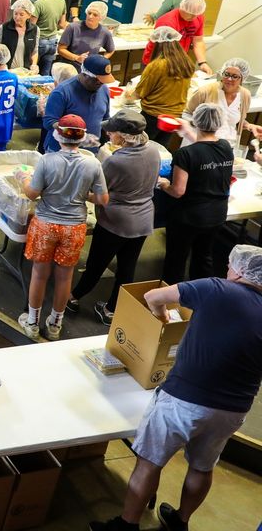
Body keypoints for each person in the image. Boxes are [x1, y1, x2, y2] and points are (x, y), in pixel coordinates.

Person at [89, 246, 262, 531]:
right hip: (233, 409)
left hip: (184, 398)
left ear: (240, 271)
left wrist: (163, 317)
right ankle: (180, 521)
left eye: (230, 266)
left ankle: (127, 525)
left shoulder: (217, 289)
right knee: (202, 467)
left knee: (149, 462)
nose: (227, 271)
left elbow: (152, 296)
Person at [17, 114, 109, 339]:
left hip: (46, 224)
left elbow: (32, 193)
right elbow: (103, 199)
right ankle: (55, 324)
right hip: (74, 227)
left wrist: (22, 178)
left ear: (58, 136)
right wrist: (80, 195)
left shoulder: (47, 161)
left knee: (39, 274)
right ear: (82, 139)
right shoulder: (92, 163)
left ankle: (32, 322)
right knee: (65, 277)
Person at [67, 111, 159, 325]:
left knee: (96, 265)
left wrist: (79, 194)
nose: (108, 132)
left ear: (124, 136)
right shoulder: (153, 151)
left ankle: (73, 298)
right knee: (127, 269)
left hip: (116, 223)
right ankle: (110, 310)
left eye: (112, 131)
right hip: (143, 219)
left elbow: (99, 195)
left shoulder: (116, 161)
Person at [159, 103, 233, 284]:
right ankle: (201, 298)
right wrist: (187, 133)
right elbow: (205, 150)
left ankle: (171, 305)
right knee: (203, 258)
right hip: (216, 215)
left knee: (176, 260)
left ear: (196, 121)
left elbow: (178, 191)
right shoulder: (225, 147)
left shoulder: (185, 154)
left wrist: (164, 184)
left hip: (189, 217)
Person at [126, 26, 194, 143]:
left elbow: (140, 93)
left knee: (142, 148)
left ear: (158, 44)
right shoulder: (186, 62)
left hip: (153, 117)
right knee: (161, 149)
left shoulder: (157, 65)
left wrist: (127, 96)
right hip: (174, 117)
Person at [43, 55, 114, 153]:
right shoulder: (62, 92)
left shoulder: (104, 89)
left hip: (91, 151)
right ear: (85, 74)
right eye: (97, 80)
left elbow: (105, 118)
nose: (101, 83)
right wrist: (76, 135)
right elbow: (49, 122)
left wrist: (113, 132)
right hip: (62, 152)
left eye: (103, 81)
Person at [183, 58, 256, 144]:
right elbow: (186, 114)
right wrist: (200, 126)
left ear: (242, 79)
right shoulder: (205, 91)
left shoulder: (245, 95)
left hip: (227, 145)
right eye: (226, 74)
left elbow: (235, 120)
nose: (229, 79)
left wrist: (249, 126)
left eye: (235, 76)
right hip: (200, 143)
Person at [145, 0, 212, 75]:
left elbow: (198, 41)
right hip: (158, 60)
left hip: (177, 59)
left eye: (196, 14)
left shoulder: (198, 17)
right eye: (190, 14)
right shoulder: (167, 22)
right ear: (182, 7)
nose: (194, 17)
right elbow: (163, 50)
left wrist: (202, 63)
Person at [58, 1, 115, 66]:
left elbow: (111, 50)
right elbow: (61, 49)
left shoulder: (104, 32)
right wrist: (77, 58)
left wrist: (101, 59)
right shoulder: (73, 27)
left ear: (101, 17)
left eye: (95, 15)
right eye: (89, 13)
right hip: (69, 67)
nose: (90, 16)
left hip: (89, 69)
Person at [32, 0, 67, 77]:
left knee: (33, 72)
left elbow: (32, 26)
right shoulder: (61, 0)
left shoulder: (39, 3)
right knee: (46, 74)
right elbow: (62, 24)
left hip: (39, 42)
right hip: (53, 42)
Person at [0, 0, 40, 72]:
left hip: (25, 72)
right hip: (6, 70)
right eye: (15, 13)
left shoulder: (34, 29)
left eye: (21, 15)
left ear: (29, 15)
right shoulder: (4, 28)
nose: (17, 17)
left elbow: (35, 51)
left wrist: (34, 64)